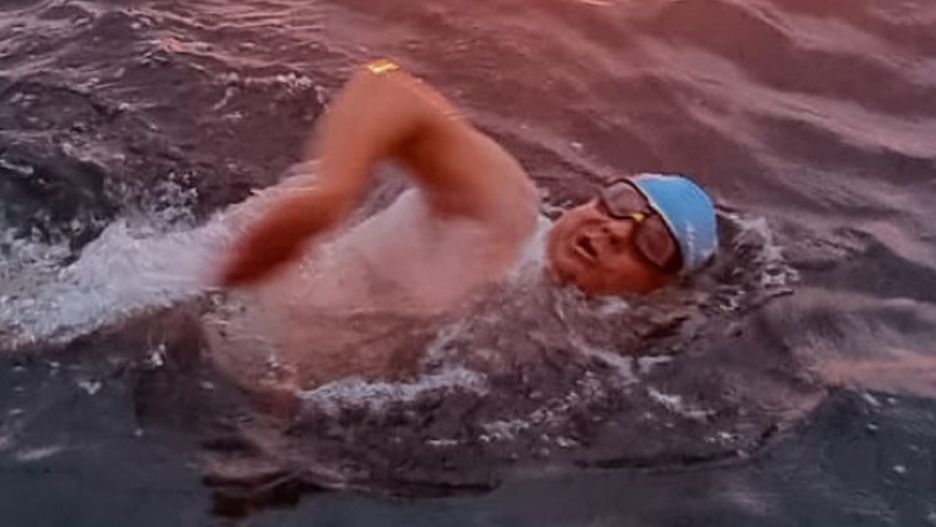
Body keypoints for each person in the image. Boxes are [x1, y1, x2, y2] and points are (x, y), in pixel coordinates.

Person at [214, 59, 718, 392]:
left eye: (650, 242)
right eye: (621, 202)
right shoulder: (505, 214)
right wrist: (330, 192)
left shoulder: (579, 335)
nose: (616, 229)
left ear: (654, 289)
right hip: (214, 301)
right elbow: (387, 87)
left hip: (262, 392)